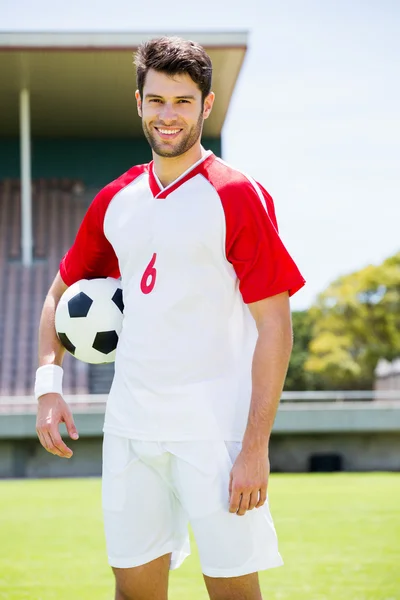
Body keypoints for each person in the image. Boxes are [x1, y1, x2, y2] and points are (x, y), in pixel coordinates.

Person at [35, 36, 305, 600]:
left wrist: (255, 446)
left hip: (214, 432)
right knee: (133, 591)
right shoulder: (116, 199)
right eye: (156, 100)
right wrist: (48, 387)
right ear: (138, 102)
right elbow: (59, 294)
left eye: (183, 101)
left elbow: (275, 325)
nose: (168, 115)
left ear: (206, 106)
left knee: (232, 591)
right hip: (131, 428)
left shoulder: (237, 195)